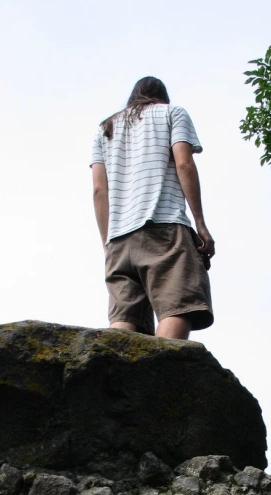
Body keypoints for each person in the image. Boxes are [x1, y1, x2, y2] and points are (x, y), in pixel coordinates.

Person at [90, 76, 215, 340]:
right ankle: (163, 380)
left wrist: (107, 245)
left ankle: (114, 379)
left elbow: (99, 191)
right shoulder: (173, 113)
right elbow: (184, 165)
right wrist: (200, 224)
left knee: (125, 319)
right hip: (163, 227)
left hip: (118, 241)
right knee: (177, 306)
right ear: (162, 98)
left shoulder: (104, 129)